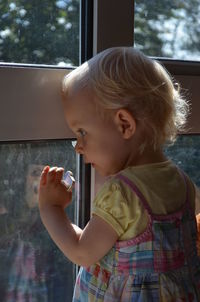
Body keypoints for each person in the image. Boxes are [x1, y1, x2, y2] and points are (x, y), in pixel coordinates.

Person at [38, 47, 200, 301]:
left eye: (82, 132)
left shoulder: (122, 193)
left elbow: (82, 252)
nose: (78, 146)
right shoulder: (183, 182)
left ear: (124, 124)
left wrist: (50, 207)